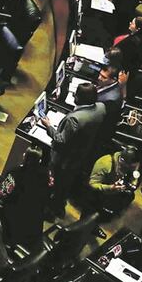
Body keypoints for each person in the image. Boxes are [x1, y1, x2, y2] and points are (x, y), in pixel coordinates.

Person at [40, 82, 106, 215]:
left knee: (56, 182)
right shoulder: (101, 107)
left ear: (79, 98)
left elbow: (61, 139)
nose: (74, 95)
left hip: (64, 159)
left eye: (76, 94)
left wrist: (48, 126)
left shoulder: (74, 119)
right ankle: (58, 204)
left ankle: (53, 209)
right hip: (82, 153)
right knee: (66, 183)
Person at [0, 145, 49, 248]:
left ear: (24, 157)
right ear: (39, 161)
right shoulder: (46, 176)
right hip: (34, 224)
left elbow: (2, 194)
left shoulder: (15, 173)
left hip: (12, 224)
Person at [88, 146, 140, 213]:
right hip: (98, 196)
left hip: (115, 195)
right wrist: (110, 187)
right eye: (129, 167)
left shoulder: (132, 164)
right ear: (122, 161)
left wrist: (133, 182)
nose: (132, 169)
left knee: (130, 196)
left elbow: (135, 172)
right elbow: (92, 184)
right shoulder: (105, 164)